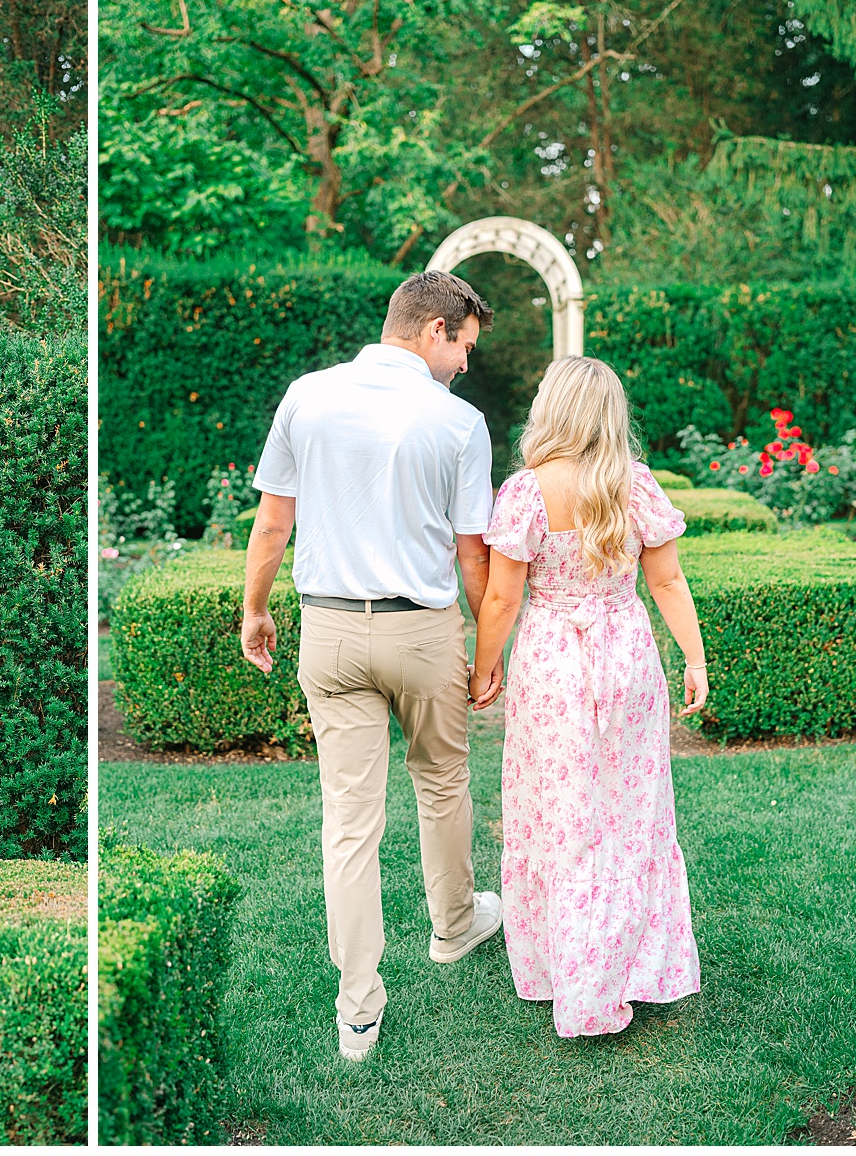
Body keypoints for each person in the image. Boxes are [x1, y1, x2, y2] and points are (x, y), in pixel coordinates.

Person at [241, 270, 506, 1064]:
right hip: (423, 633)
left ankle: (358, 1007)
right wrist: (487, 657)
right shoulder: (460, 422)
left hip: (326, 628)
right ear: (435, 331)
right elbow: (473, 556)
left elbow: (272, 521)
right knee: (442, 781)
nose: (465, 363)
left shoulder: (306, 396)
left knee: (350, 821)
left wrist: (255, 609)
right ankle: (454, 926)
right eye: (464, 346)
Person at [471, 355, 705, 1037]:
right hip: (627, 656)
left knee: (562, 815)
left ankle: (568, 968)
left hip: (552, 665)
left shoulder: (525, 491)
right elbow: (667, 582)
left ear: (556, 409)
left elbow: (504, 596)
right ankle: (635, 966)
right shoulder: (634, 485)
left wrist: (484, 668)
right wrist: (692, 656)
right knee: (633, 812)